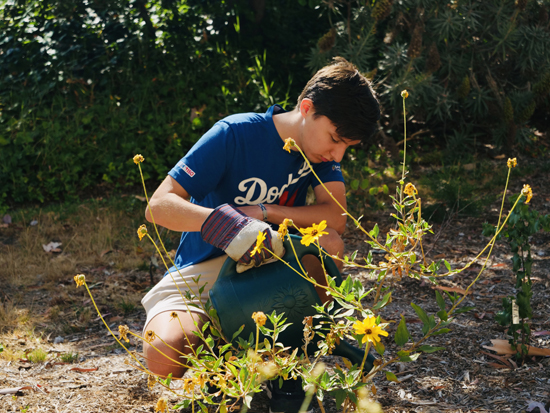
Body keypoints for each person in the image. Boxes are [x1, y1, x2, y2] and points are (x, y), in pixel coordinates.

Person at [140, 57, 380, 413]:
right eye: (335, 139)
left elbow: (336, 218)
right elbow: (158, 206)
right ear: (306, 108)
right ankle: (222, 374)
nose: (337, 153)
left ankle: (290, 372)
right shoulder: (235, 133)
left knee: (329, 244)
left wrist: (265, 214)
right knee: (164, 354)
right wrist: (227, 225)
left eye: (347, 147)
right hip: (202, 271)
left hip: (268, 269)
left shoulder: (319, 152)